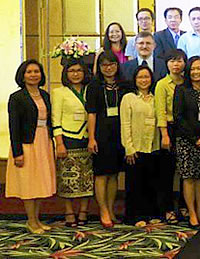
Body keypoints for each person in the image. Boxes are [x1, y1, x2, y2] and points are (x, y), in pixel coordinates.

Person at [6, 60, 55, 233]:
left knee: (41, 182)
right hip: (27, 144)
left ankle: (37, 219)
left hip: (44, 142)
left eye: (36, 71)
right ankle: (31, 221)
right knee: (29, 183)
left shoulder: (45, 95)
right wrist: (17, 152)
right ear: (23, 75)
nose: (33, 75)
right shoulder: (16, 98)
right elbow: (14, 127)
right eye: (29, 72)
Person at [86, 51, 128, 227]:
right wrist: (91, 138)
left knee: (114, 174)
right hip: (101, 135)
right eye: (104, 65)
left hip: (120, 134)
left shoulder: (124, 85)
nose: (108, 68)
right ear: (99, 67)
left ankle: (111, 209)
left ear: (117, 65)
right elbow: (92, 113)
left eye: (112, 64)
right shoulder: (94, 86)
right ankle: (103, 210)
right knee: (101, 174)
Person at [52, 59, 93, 227]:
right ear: (66, 74)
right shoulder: (59, 92)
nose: (75, 74)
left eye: (79, 70)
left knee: (86, 177)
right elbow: (55, 118)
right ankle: (69, 212)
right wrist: (59, 143)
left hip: (88, 137)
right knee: (67, 178)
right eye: (72, 71)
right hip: (68, 138)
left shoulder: (90, 90)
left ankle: (83, 211)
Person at [173, 56, 200, 228]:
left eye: (199, 68)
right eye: (193, 69)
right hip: (186, 140)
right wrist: (195, 138)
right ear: (188, 71)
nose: (196, 72)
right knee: (188, 177)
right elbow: (178, 117)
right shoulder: (181, 90)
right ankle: (191, 213)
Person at [121, 65, 161, 225]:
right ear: (135, 80)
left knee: (150, 183)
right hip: (135, 147)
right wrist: (128, 148)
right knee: (134, 184)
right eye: (140, 77)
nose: (144, 80)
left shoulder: (155, 97)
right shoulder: (129, 98)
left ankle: (150, 214)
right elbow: (125, 124)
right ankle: (134, 216)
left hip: (153, 146)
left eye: (146, 77)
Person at [154, 49, 187, 224]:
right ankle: (167, 209)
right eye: (173, 61)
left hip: (185, 129)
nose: (176, 64)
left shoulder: (187, 82)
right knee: (167, 172)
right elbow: (160, 111)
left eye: (180, 61)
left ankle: (184, 206)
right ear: (167, 63)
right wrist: (164, 134)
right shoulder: (162, 84)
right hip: (168, 129)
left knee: (185, 170)